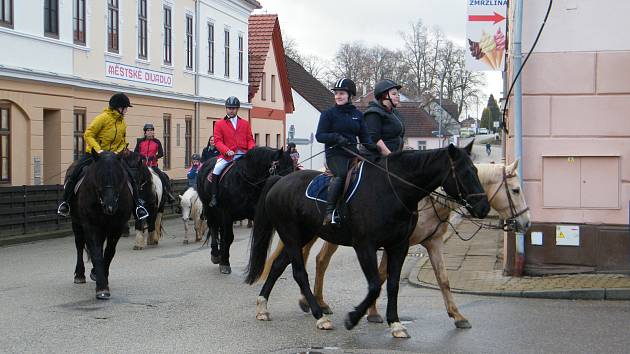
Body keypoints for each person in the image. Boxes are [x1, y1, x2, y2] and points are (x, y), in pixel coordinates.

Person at [57, 93, 148, 220]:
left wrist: (118, 152)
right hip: (96, 156)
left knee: (131, 177)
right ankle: (65, 203)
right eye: (125, 107)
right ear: (118, 107)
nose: (126, 110)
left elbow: (123, 142)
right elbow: (88, 134)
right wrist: (98, 150)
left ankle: (138, 206)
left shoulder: (122, 123)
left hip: (114, 158)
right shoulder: (102, 118)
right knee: (75, 173)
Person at [316, 78, 374, 226]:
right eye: (336, 94)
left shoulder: (358, 115)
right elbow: (320, 136)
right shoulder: (328, 114)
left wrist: (375, 148)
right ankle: (329, 212)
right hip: (335, 154)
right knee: (341, 174)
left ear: (350, 96)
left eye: (341, 93)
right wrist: (336, 138)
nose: (338, 96)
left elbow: (365, 137)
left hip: (353, 153)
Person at [209, 96, 256, 207]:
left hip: (243, 154)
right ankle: (214, 196)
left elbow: (250, 139)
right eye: (229, 108)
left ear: (237, 109)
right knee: (216, 169)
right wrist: (227, 151)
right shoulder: (219, 124)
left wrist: (251, 150)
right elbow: (218, 141)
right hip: (228, 156)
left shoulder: (245, 123)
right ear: (226, 108)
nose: (231, 110)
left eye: (233, 108)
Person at [363, 79, 405, 156]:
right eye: (394, 94)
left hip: (394, 155)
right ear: (384, 95)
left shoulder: (395, 113)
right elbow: (375, 139)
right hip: (376, 158)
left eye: (398, 94)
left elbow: (399, 136)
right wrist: (390, 156)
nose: (397, 96)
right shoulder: (373, 113)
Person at [134, 123, 175, 203]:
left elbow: (161, 153)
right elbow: (135, 152)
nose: (150, 132)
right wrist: (141, 156)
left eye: (151, 130)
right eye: (148, 130)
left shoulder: (157, 142)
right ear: (145, 133)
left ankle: (168, 194)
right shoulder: (140, 142)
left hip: (153, 165)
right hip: (142, 166)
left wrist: (154, 157)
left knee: (163, 177)